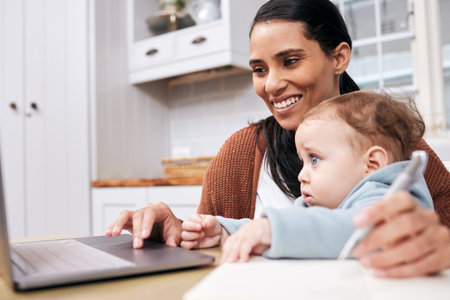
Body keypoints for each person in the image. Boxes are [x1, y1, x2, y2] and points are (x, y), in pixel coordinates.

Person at [106, 0, 450, 277]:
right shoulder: (238, 155)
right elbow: (219, 243)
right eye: (259, 69)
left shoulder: (397, 152)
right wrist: (180, 231)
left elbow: (362, 228)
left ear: (339, 57)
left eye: (290, 61)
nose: (270, 84)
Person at [181, 91, 434, 264]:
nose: (302, 174)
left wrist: (272, 230)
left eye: (314, 159)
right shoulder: (325, 202)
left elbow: (359, 232)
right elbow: (286, 224)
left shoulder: (389, 195)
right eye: (303, 161)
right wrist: (226, 231)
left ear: (373, 164)